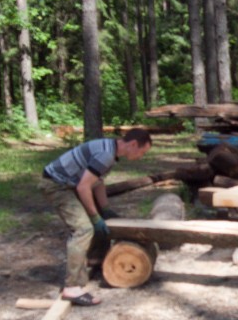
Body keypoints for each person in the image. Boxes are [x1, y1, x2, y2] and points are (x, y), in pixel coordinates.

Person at [40, 128, 153, 306]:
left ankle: (95, 259)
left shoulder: (110, 150)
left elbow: (97, 182)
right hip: (56, 185)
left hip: (69, 183)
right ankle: (72, 288)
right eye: (142, 151)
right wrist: (94, 217)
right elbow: (83, 187)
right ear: (132, 144)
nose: (141, 156)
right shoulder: (105, 154)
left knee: (102, 218)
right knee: (83, 228)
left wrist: (105, 210)